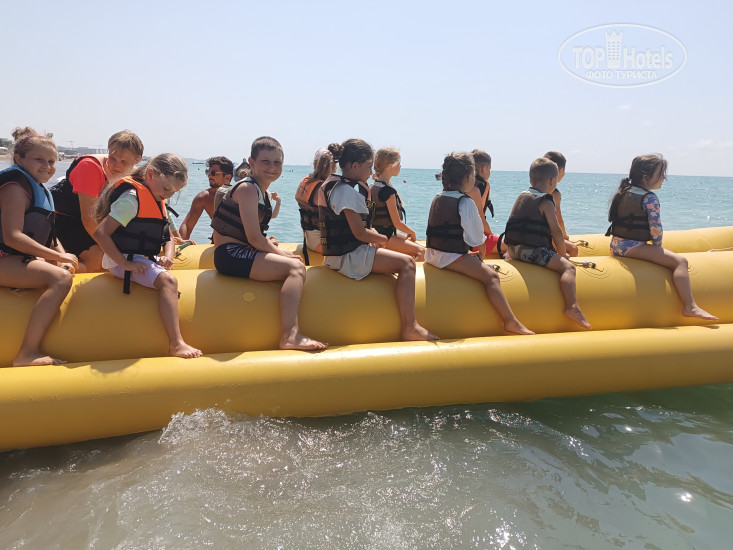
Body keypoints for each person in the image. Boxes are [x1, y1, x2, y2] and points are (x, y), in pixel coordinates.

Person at [211, 136, 326, 351]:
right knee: (295, 268)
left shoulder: (260, 191)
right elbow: (255, 238)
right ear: (252, 162)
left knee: (291, 258)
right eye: (265, 161)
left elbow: (255, 237)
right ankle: (290, 336)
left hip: (240, 250)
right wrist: (283, 255)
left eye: (277, 162)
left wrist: (278, 250)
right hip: (229, 254)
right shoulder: (247, 189)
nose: (272, 167)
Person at [319, 138, 437, 342]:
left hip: (337, 253)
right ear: (355, 166)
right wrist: (382, 239)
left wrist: (374, 236)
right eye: (368, 166)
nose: (370, 171)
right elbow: (360, 233)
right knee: (407, 264)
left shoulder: (333, 185)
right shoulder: (346, 191)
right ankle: (410, 327)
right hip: (347, 257)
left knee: (394, 259)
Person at [93, 154, 202, 359]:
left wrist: (168, 256)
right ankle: (176, 344)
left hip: (140, 258)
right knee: (169, 282)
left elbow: (168, 236)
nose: (168, 194)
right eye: (167, 189)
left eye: (174, 191)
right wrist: (125, 263)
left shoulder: (157, 198)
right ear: (150, 174)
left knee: (167, 275)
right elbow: (101, 233)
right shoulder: (131, 200)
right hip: (121, 259)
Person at [425, 153, 533, 335]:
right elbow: (477, 238)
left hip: (431, 255)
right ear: (468, 177)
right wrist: (481, 257)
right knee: (492, 277)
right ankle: (510, 321)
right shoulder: (465, 202)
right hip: (449, 257)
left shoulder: (438, 197)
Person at [0, 127, 78, 366]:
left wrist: (63, 256)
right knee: (60, 280)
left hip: (16, 258)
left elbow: (49, 235)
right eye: (39, 160)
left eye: (52, 161)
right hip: (4, 257)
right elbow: (13, 237)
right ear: (19, 159)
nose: (47, 166)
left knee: (65, 270)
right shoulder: (15, 187)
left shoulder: (39, 189)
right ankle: (27, 353)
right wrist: (57, 259)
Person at [607, 154, 717, 321]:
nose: (664, 178)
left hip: (616, 245)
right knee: (680, 262)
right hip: (632, 247)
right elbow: (656, 230)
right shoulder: (649, 198)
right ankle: (690, 306)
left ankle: (690, 306)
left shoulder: (623, 191)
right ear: (646, 177)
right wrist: (657, 248)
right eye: (661, 174)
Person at [504, 157, 591, 329]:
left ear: (531, 179)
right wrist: (562, 256)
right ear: (553, 181)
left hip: (512, 250)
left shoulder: (522, 196)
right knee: (568, 268)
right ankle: (572, 307)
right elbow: (556, 231)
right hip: (530, 252)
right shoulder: (546, 201)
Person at [51, 130, 143, 273]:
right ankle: (47, 268)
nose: (116, 166)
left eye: (124, 162)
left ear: (137, 160)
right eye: (112, 158)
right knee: (100, 260)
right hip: (66, 221)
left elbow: (155, 207)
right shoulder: (89, 167)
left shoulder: (136, 175)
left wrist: (171, 235)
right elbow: (88, 219)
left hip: (98, 224)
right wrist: (113, 251)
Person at [370, 147, 425, 261]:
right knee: (422, 252)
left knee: (414, 245)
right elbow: (397, 223)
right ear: (390, 166)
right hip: (384, 236)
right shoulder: (388, 191)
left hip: (378, 233)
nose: (400, 166)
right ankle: (409, 270)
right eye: (399, 163)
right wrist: (412, 232)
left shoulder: (374, 186)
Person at [295, 144, 339, 256]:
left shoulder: (305, 181)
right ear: (334, 168)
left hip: (308, 240)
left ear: (315, 165)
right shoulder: (325, 189)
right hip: (322, 243)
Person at [178, 156, 234, 241]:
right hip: (218, 239)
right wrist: (181, 243)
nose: (209, 176)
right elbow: (187, 225)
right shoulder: (204, 197)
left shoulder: (239, 196)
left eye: (213, 173)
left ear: (227, 177)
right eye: (208, 172)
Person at [543, 151, 578, 257]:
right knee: (573, 249)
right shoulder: (554, 194)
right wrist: (565, 236)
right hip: (543, 237)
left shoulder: (536, 188)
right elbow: (558, 219)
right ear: (560, 170)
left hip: (531, 234)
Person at [468, 150, 500, 255]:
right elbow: (480, 219)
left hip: (456, 237)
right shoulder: (480, 186)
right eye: (490, 169)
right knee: (511, 246)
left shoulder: (461, 183)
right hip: (471, 241)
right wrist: (492, 235)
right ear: (484, 168)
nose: (490, 172)